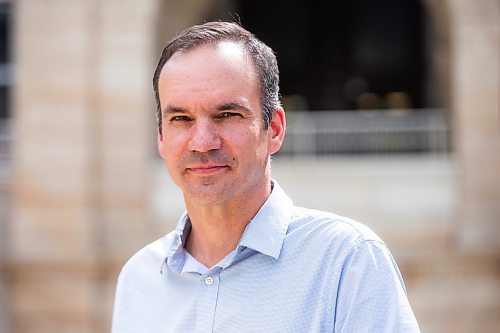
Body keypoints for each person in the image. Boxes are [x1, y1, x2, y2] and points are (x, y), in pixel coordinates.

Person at [112, 21, 420, 332]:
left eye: (227, 115)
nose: (203, 142)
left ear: (274, 129)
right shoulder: (138, 279)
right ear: (161, 138)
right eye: (181, 118)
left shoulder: (347, 262)